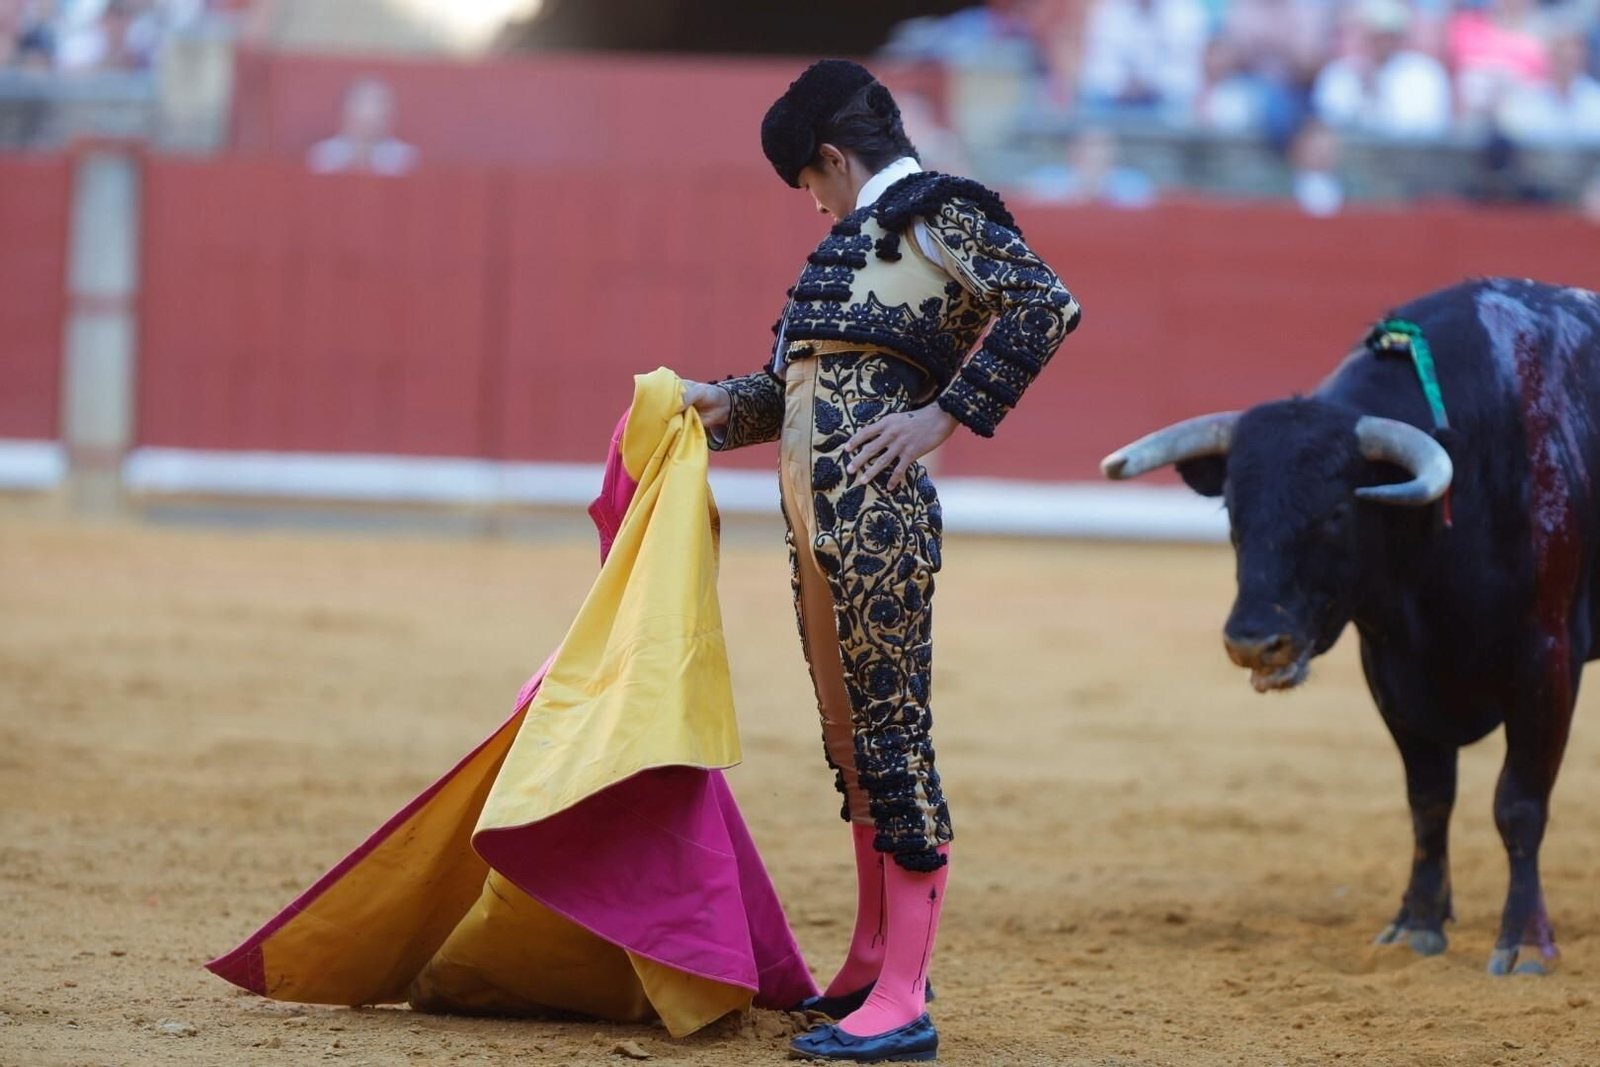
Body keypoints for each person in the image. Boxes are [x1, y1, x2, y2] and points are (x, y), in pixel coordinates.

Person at [679, 60, 1080, 1062]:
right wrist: (723, 402)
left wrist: (944, 414)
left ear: (826, 157)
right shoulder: (856, 240)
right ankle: (869, 961)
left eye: (808, 183)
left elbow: (1045, 304)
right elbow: (793, 385)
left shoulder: (942, 212)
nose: (812, 204)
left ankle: (904, 994)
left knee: (891, 737)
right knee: (848, 741)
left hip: (877, 520)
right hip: (814, 521)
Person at [1312, 0, 1453, 138]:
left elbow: (1429, 130)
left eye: (1389, 36)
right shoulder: (1339, 74)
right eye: (1376, 35)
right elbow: (1331, 127)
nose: (1383, 43)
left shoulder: (1425, 73)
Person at [1498, 30, 1600, 145]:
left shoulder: (1595, 98)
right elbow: (1518, 132)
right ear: (1550, 56)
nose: (1566, 62)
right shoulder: (1527, 98)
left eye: (1571, 59)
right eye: (1561, 56)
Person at [306, 76, 419, 177]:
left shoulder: (404, 156)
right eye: (361, 106)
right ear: (345, 113)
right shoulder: (324, 153)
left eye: (377, 107)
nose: (369, 116)